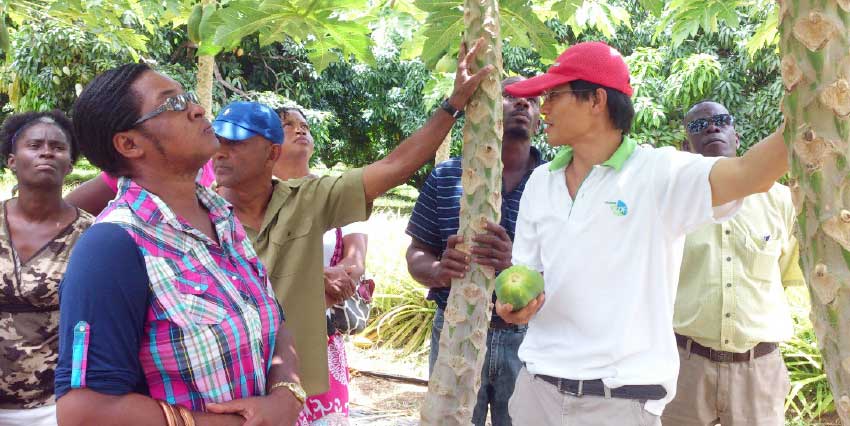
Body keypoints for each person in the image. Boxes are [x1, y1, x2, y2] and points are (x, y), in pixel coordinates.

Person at [495, 41, 789, 426]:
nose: (543, 108)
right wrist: (516, 307)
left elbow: (751, 174)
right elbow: (528, 275)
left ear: (596, 100)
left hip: (619, 400)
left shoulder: (659, 174)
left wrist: (809, 107)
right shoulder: (540, 182)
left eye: (554, 95)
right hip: (538, 391)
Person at [208, 38, 492, 399]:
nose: (220, 153)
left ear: (270, 153)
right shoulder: (196, 214)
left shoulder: (307, 198)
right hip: (220, 387)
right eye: (217, 142)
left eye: (235, 143)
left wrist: (452, 105)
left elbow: (395, 166)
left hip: (291, 392)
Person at [54, 63, 303, 426]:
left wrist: (286, 394)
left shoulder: (221, 216)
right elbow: (84, 412)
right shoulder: (113, 247)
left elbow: (272, 318)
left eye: (189, 97)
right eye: (172, 103)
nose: (197, 109)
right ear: (129, 144)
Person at [405, 76, 542, 426]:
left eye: (532, 100)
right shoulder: (448, 176)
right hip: (456, 329)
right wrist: (438, 271)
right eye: (509, 95)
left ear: (540, 121)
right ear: (486, 107)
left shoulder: (555, 184)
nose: (522, 103)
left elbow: (572, 270)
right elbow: (417, 252)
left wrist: (514, 265)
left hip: (529, 338)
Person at [661, 101, 803, 426]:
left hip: (758, 371)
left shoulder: (782, 201)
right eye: (699, 125)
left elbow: (787, 274)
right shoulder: (672, 203)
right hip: (685, 367)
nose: (712, 127)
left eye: (721, 121)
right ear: (686, 145)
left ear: (736, 136)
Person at [274, 106, 369, 424]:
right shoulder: (254, 197)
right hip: (268, 343)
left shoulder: (336, 194)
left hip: (322, 339)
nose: (300, 129)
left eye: (304, 125)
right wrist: (315, 278)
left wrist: (335, 278)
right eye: (287, 125)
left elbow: (355, 261)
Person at [0, 111, 94, 426]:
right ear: (12, 161)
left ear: (70, 164)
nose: (47, 152)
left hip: (53, 406)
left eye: (57, 147)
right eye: (35, 145)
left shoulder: (92, 235)